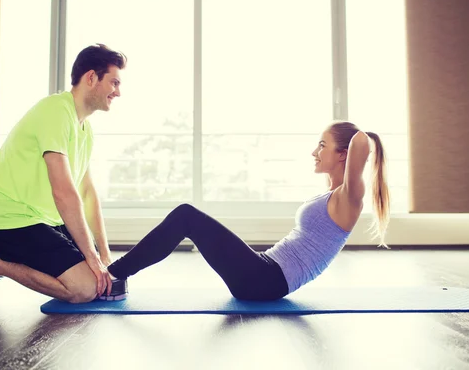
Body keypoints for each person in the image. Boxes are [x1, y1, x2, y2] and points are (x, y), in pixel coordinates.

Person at [105, 121, 390, 301]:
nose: (314, 152)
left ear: (344, 154)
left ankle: (113, 276)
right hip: (264, 271)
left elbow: (362, 141)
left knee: (186, 215)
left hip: (266, 281)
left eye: (322, 145)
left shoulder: (350, 197)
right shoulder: (332, 194)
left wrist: (361, 134)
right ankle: (116, 275)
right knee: (187, 216)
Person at [0, 43, 128, 303]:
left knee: (97, 274)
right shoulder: (55, 111)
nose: (118, 92)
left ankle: (3, 256)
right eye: (114, 83)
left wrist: (104, 256)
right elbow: (64, 191)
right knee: (85, 289)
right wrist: (92, 258)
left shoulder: (84, 130)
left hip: (44, 221)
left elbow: (87, 194)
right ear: (91, 78)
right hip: (12, 219)